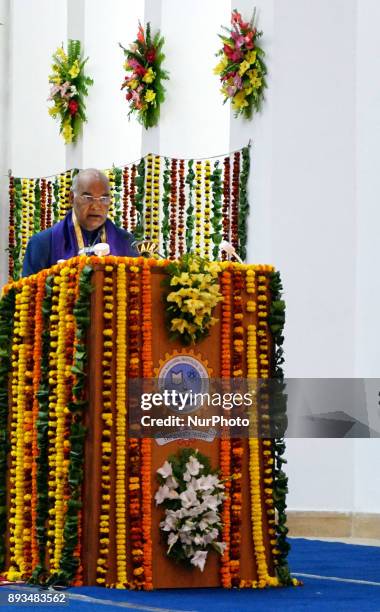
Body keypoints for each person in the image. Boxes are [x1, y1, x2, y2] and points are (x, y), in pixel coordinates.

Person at [22, 168, 139, 276]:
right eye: (88, 198)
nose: (96, 206)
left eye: (104, 199)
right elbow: (27, 296)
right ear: (72, 198)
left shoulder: (126, 243)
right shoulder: (43, 243)